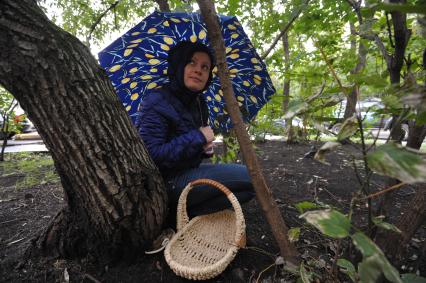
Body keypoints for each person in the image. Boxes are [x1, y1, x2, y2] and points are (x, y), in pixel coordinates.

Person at [135, 41, 255, 221]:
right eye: (192, 62)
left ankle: (182, 217)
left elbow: (188, 150)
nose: (199, 70)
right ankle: (174, 215)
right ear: (179, 65)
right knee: (250, 177)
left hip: (186, 172)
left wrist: (203, 149)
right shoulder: (157, 101)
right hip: (163, 182)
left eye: (205, 67)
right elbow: (151, 157)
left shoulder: (199, 104)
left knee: (247, 191)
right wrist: (198, 137)